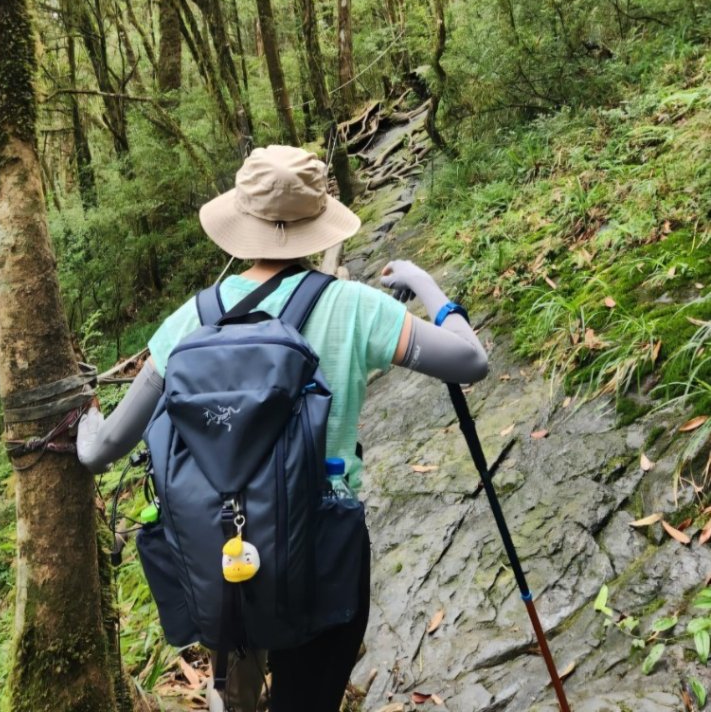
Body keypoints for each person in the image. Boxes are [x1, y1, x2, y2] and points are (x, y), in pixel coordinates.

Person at [77, 144, 488, 712]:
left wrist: (81, 410)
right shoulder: (355, 306)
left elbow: (101, 451)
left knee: (236, 684)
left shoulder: (189, 321)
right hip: (325, 553)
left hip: (223, 550)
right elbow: (471, 362)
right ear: (318, 223)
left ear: (241, 222)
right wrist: (427, 288)